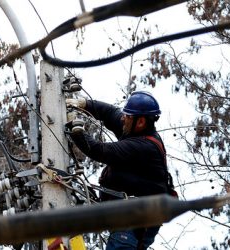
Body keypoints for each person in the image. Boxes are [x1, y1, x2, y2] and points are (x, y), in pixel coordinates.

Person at [66, 91, 175, 250]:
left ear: (141, 122)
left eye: (128, 116)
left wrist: (75, 129)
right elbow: (110, 113)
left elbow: (99, 150)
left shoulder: (144, 147)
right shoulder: (133, 127)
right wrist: (84, 104)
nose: (123, 118)